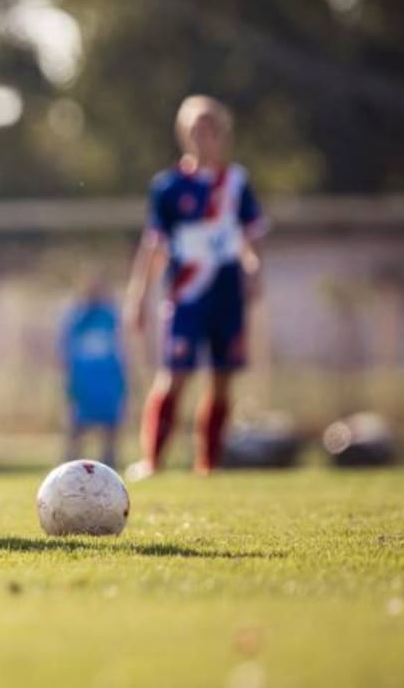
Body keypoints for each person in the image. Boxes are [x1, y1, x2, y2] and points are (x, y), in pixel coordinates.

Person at [123, 95, 267, 479]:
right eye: (195, 130)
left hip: (226, 296)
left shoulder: (236, 183)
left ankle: (209, 464)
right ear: (184, 134)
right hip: (185, 297)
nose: (203, 137)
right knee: (174, 377)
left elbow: (251, 238)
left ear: (222, 135)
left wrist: (254, 270)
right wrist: (138, 294)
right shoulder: (168, 187)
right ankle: (153, 461)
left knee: (221, 381)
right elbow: (154, 245)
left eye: (210, 129)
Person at [57, 270, 127, 467]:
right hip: (83, 380)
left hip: (107, 380)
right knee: (77, 426)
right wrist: (67, 378)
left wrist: (123, 378)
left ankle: (110, 464)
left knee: (110, 426)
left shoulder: (110, 316)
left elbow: (120, 347)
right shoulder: (76, 317)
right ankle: (69, 465)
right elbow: (64, 348)